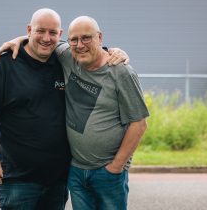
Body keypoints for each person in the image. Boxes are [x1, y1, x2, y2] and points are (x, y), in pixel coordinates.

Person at [0, 8, 128, 210]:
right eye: (40, 31)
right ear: (29, 30)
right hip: (19, 179)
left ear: (60, 35)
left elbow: (89, 51)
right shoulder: (4, 67)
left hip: (57, 179)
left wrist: (114, 51)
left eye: (52, 33)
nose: (46, 38)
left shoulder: (64, 61)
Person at [58, 16, 149, 210]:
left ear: (100, 37)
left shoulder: (121, 72)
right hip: (76, 170)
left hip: (107, 173)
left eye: (86, 38)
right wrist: (15, 41)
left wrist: (116, 167)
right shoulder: (67, 56)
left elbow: (139, 123)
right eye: (74, 39)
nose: (79, 45)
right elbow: (42, 38)